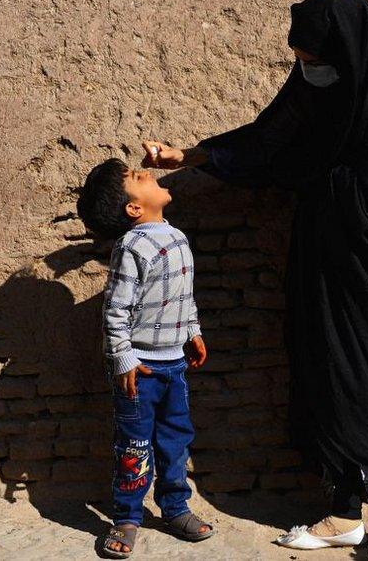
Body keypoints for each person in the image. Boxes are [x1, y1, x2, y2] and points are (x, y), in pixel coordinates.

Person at [142, 0, 368, 560]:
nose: (306, 71)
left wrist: (319, 174)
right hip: (323, 255)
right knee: (328, 374)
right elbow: (272, 134)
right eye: (299, 59)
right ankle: (345, 512)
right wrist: (192, 156)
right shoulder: (316, 81)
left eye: (315, 61)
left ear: (345, 50)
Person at [76, 159, 214, 558]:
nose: (149, 174)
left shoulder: (178, 238)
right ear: (134, 208)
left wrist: (193, 331)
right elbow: (115, 310)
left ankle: (175, 508)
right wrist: (123, 360)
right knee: (135, 446)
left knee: (175, 441)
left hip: (175, 367)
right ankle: (127, 517)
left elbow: (184, 297)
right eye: (139, 178)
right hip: (140, 370)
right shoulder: (132, 247)